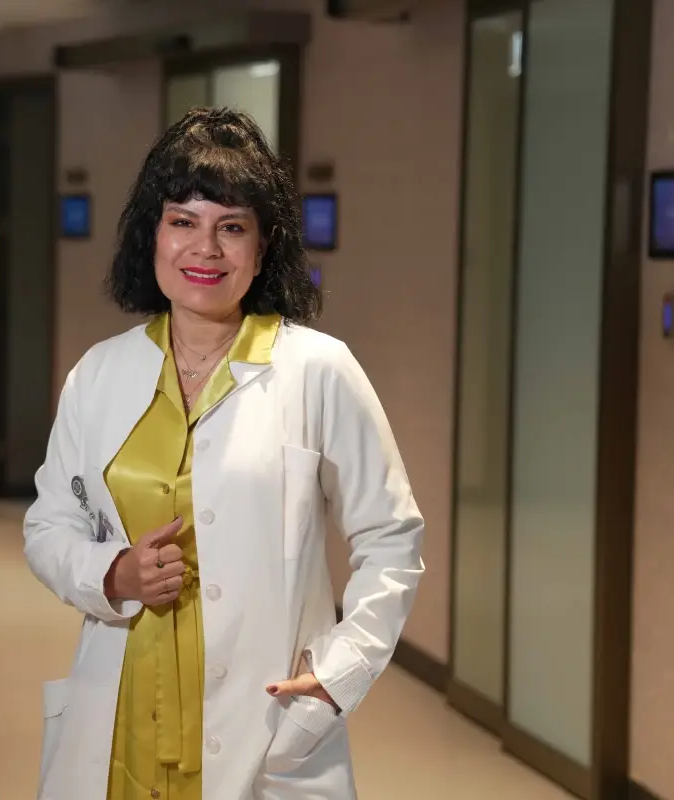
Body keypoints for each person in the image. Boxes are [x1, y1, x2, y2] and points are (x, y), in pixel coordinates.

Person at [23, 107, 425, 800]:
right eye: (183, 221)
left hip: (265, 729)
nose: (205, 249)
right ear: (152, 236)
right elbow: (48, 525)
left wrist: (341, 671)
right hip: (123, 714)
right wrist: (112, 572)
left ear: (262, 249)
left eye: (231, 228)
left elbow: (391, 536)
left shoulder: (318, 371)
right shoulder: (99, 373)